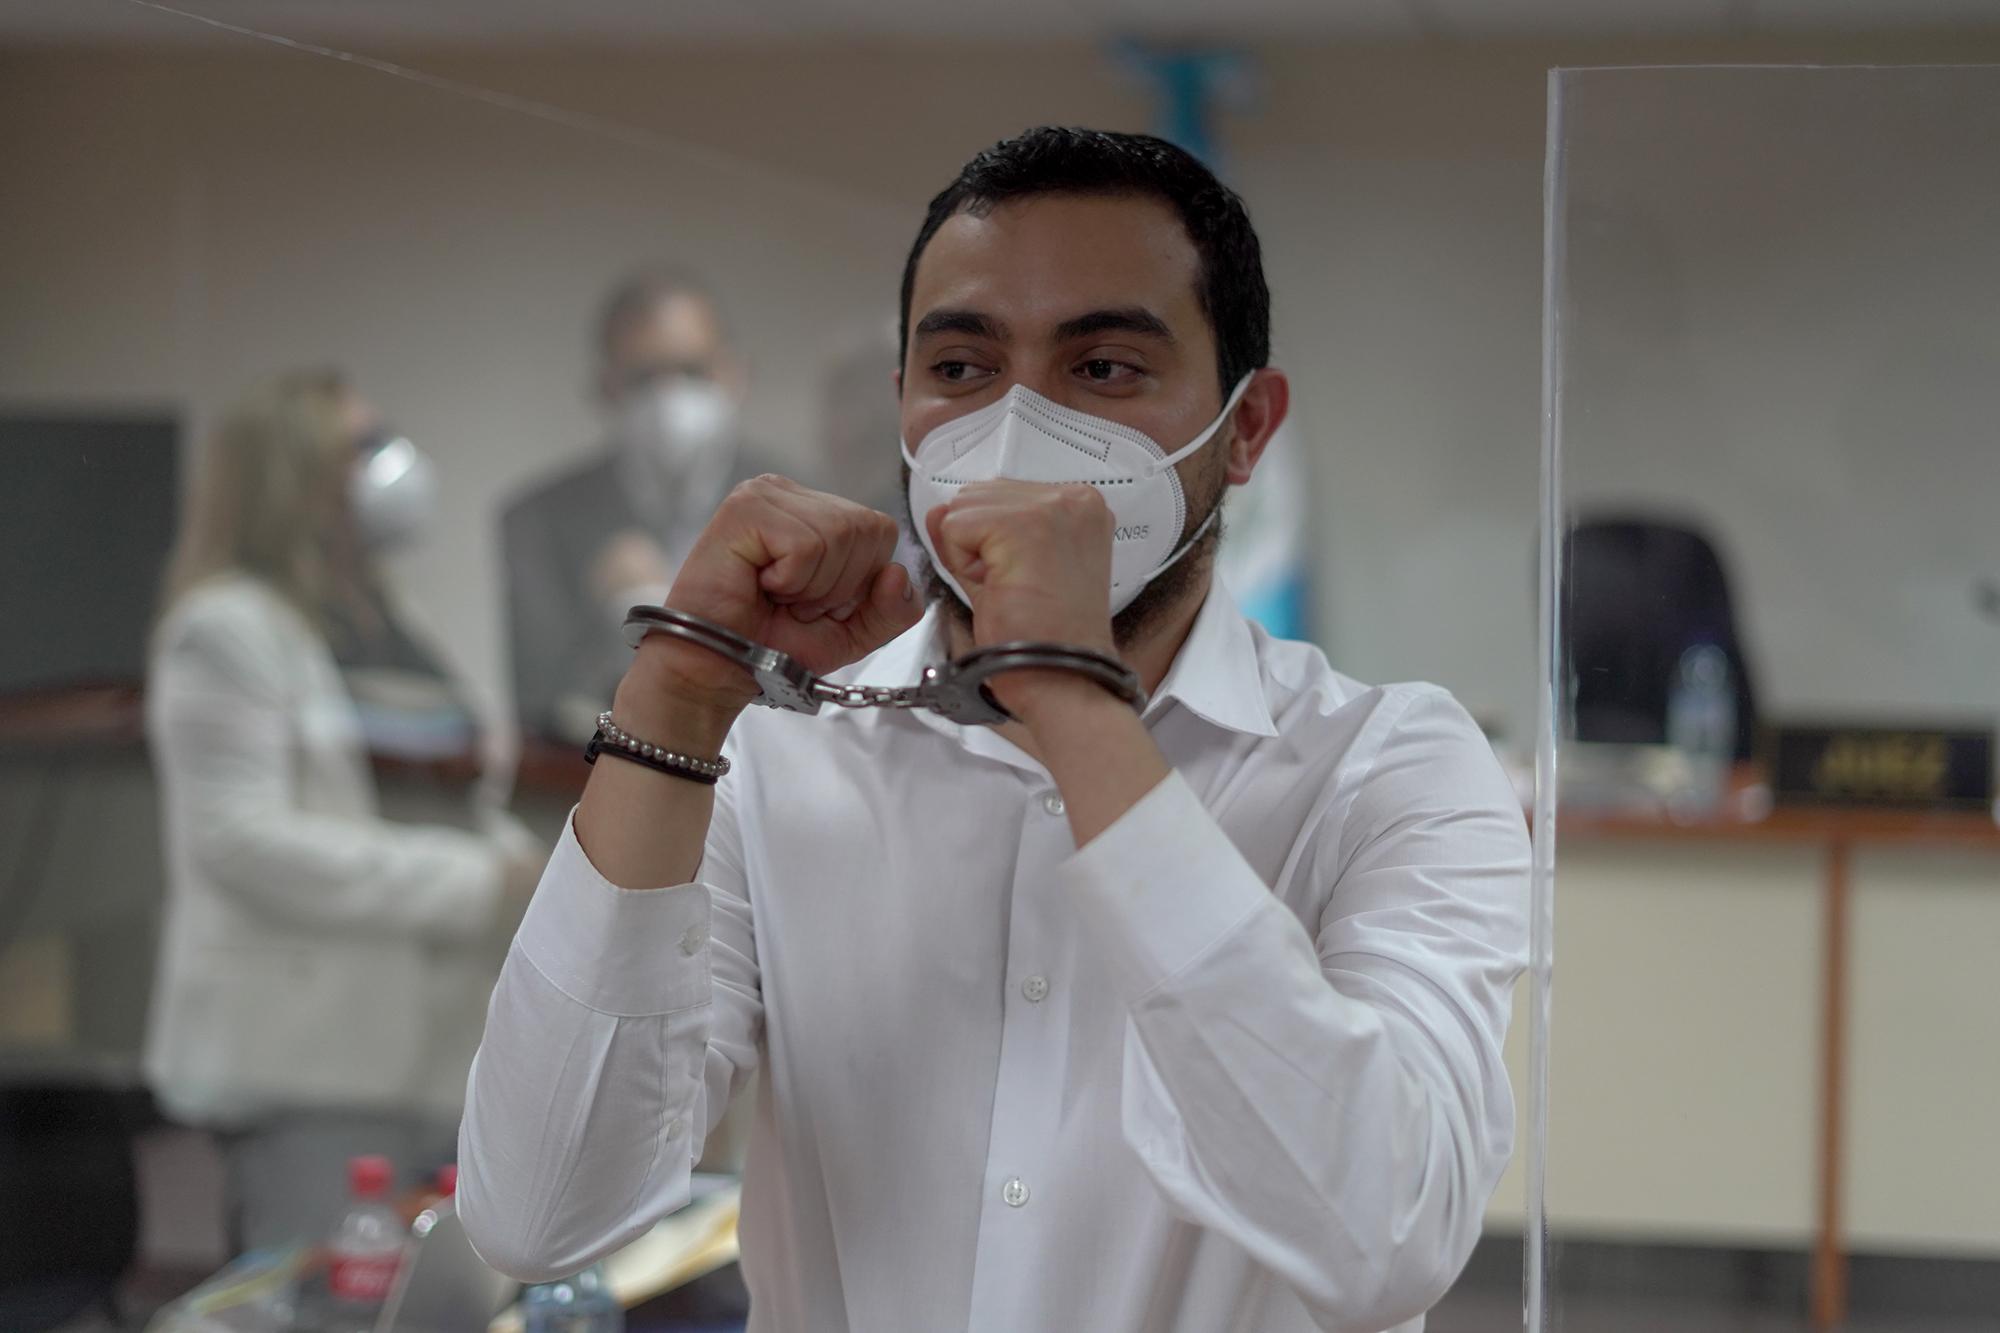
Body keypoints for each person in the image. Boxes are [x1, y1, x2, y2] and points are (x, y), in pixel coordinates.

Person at [461, 129, 1530, 1333]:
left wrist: (1068, 699)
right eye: (963, 368)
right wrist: (674, 694)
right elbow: (536, 1213)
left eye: (1106, 368)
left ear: (1243, 428)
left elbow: (1381, 1237)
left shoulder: (1388, 772)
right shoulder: (780, 757)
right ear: (904, 410)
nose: (1018, 428)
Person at [146, 369, 544, 1250]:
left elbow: (448, 801)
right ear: (297, 476)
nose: (393, 466)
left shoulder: (389, 623)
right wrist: (483, 883)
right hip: (311, 1067)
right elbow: (243, 842)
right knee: (327, 1299)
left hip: (435, 1059)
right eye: (362, 447)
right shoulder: (227, 629)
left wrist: (547, 869)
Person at [502, 272, 787, 744]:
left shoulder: (799, 502)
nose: (670, 398)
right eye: (644, 378)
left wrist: (660, 612)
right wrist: (615, 620)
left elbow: (821, 690)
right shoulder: (538, 519)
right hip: (593, 793)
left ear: (735, 373)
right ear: (605, 387)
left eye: (692, 371)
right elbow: (541, 713)